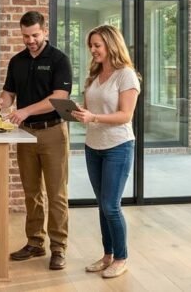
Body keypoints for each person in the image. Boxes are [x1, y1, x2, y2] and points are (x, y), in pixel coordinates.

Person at [0, 11, 73, 270]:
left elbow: (59, 97)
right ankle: (35, 242)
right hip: (25, 134)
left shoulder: (59, 60)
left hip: (53, 132)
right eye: (26, 36)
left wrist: (25, 110)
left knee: (56, 193)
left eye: (35, 35)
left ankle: (58, 248)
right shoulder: (17, 61)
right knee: (31, 192)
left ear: (45, 31)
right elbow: (9, 95)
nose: (30, 40)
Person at [70, 24, 140, 279]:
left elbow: (125, 115)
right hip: (93, 146)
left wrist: (94, 117)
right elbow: (92, 111)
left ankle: (121, 258)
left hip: (118, 146)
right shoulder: (94, 74)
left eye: (97, 45)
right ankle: (107, 255)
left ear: (111, 45)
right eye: (91, 45)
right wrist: (79, 112)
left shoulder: (126, 75)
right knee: (102, 205)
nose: (93, 50)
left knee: (111, 206)